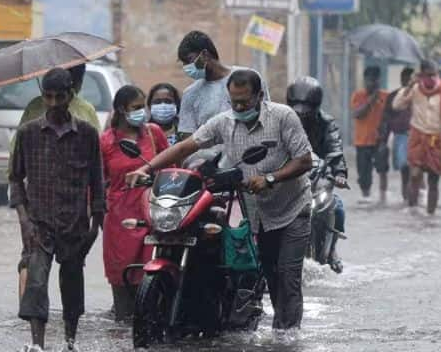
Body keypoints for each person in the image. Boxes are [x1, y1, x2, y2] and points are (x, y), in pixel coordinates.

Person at [126, 70, 312, 330]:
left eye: (244, 102)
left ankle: (288, 338)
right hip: (257, 212)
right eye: (233, 101)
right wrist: (144, 170)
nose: (238, 107)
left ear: (260, 96)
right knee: (270, 273)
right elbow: (185, 147)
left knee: (288, 276)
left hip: (292, 208)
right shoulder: (224, 122)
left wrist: (270, 178)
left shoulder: (283, 117)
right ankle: (278, 326)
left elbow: (304, 160)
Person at [9, 68, 104, 351]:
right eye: (48, 97)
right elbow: (15, 178)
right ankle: (37, 344)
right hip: (38, 222)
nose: (53, 103)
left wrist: (96, 225)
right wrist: (24, 220)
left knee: (72, 283)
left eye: (59, 97)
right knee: (36, 281)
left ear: (70, 96)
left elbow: (97, 181)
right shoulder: (28, 132)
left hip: (75, 221)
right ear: (43, 96)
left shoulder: (86, 134)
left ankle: (70, 341)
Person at [101, 86, 169, 321]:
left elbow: (171, 165)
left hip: (152, 214)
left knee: (152, 275)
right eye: (136, 108)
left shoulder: (153, 133)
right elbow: (97, 182)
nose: (143, 112)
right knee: (121, 279)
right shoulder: (106, 142)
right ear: (121, 110)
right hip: (119, 219)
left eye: (143, 107)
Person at [287, 76, 348, 273]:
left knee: (337, 207)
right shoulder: (283, 119)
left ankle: (332, 250)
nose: (302, 113)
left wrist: (339, 173)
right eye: (298, 107)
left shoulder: (326, 123)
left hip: (318, 176)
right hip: (287, 175)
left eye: (307, 108)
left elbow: (335, 148)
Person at [393, 60, 441, 215]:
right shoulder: (415, 89)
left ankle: (430, 215)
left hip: (438, 138)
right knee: (414, 175)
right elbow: (397, 105)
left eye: (434, 74)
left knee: (433, 180)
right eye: (428, 75)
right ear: (421, 75)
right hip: (417, 135)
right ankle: (412, 208)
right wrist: (408, 87)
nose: (431, 78)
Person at [177, 30, 269, 139]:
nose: (187, 67)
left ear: (205, 54)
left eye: (189, 60)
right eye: (184, 64)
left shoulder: (249, 78)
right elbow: (188, 136)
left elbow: (266, 118)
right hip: (208, 155)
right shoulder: (190, 94)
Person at [350, 66, 390, 203]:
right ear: (364, 80)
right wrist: (371, 100)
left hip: (380, 141)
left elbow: (390, 117)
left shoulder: (386, 96)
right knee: (364, 176)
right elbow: (357, 114)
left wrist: (385, 136)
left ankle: (382, 198)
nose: (371, 83)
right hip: (362, 142)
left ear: (379, 80)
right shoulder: (358, 95)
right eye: (368, 80)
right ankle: (366, 198)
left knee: (383, 169)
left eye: (374, 80)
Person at [378, 67, 414, 203]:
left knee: (417, 171)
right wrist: (383, 141)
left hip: (417, 136)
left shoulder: (420, 95)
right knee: (405, 170)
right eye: (406, 79)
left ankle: (415, 201)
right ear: (402, 79)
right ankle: (407, 201)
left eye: (411, 79)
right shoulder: (393, 96)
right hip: (400, 136)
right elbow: (386, 119)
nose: (409, 82)